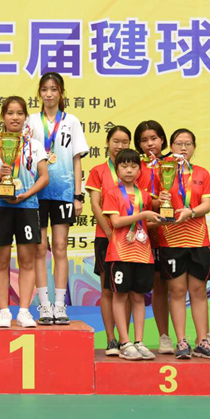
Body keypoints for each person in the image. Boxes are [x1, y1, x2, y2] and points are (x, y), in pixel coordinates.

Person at [26, 72, 89, 325]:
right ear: (39, 93)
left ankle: (60, 305)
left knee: (61, 247)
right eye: (44, 89)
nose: (49, 94)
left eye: (54, 89)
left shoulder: (71, 121)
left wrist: (77, 195)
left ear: (61, 92)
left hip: (63, 192)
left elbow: (76, 160)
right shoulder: (31, 121)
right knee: (40, 249)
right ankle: (44, 305)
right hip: (36, 193)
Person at [0, 96, 49, 328]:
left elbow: (44, 177)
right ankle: (3, 311)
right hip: (0, 207)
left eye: (20, 113)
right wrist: (0, 176)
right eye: (10, 113)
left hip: (27, 207)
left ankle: (24, 311)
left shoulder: (35, 145)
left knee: (27, 261)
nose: (15, 117)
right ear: (3, 116)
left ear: (25, 117)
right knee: (0, 261)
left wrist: (25, 195)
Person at [156, 129, 210, 360]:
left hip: (198, 240)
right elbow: (151, 202)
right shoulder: (161, 171)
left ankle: (202, 340)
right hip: (171, 240)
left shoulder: (202, 173)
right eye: (178, 143)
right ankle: (181, 340)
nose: (183, 148)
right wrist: (159, 200)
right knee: (176, 291)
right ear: (170, 147)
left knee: (198, 290)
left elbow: (207, 205)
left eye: (188, 144)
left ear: (194, 148)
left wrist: (190, 212)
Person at [102, 149, 162, 360]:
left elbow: (144, 224)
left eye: (133, 166)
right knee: (120, 296)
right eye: (124, 166)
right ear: (117, 169)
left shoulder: (144, 195)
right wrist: (143, 214)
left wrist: (162, 221)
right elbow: (117, 222)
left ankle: (139, 341)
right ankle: (125, 342)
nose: (129, 170)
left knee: (138, 297)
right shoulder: (112, 193)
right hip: (119, 253)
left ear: (139, 170)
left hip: (143, 253)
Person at [86, 125, 132, 355]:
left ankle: (126, 339)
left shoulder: (136, 169)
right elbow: (95, 205)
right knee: (107, 289)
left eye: (124, 142)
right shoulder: (98, 171)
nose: (120, 146)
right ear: (107, 143)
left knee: (126, 290)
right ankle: (111, 339)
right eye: (116, 141)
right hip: (105, 236)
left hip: (132, 239)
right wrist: (110, 232)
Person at [133, 120, 172, 354]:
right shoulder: (134, 166)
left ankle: (172, 337)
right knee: (150, 284)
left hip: (171, 232)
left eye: (154, 138)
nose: (150, 144)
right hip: (142, 232)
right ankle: (155, 337)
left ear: (162, 139)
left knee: (168, 286)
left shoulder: (173, 164)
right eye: (144, 140)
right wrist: (155, 204)